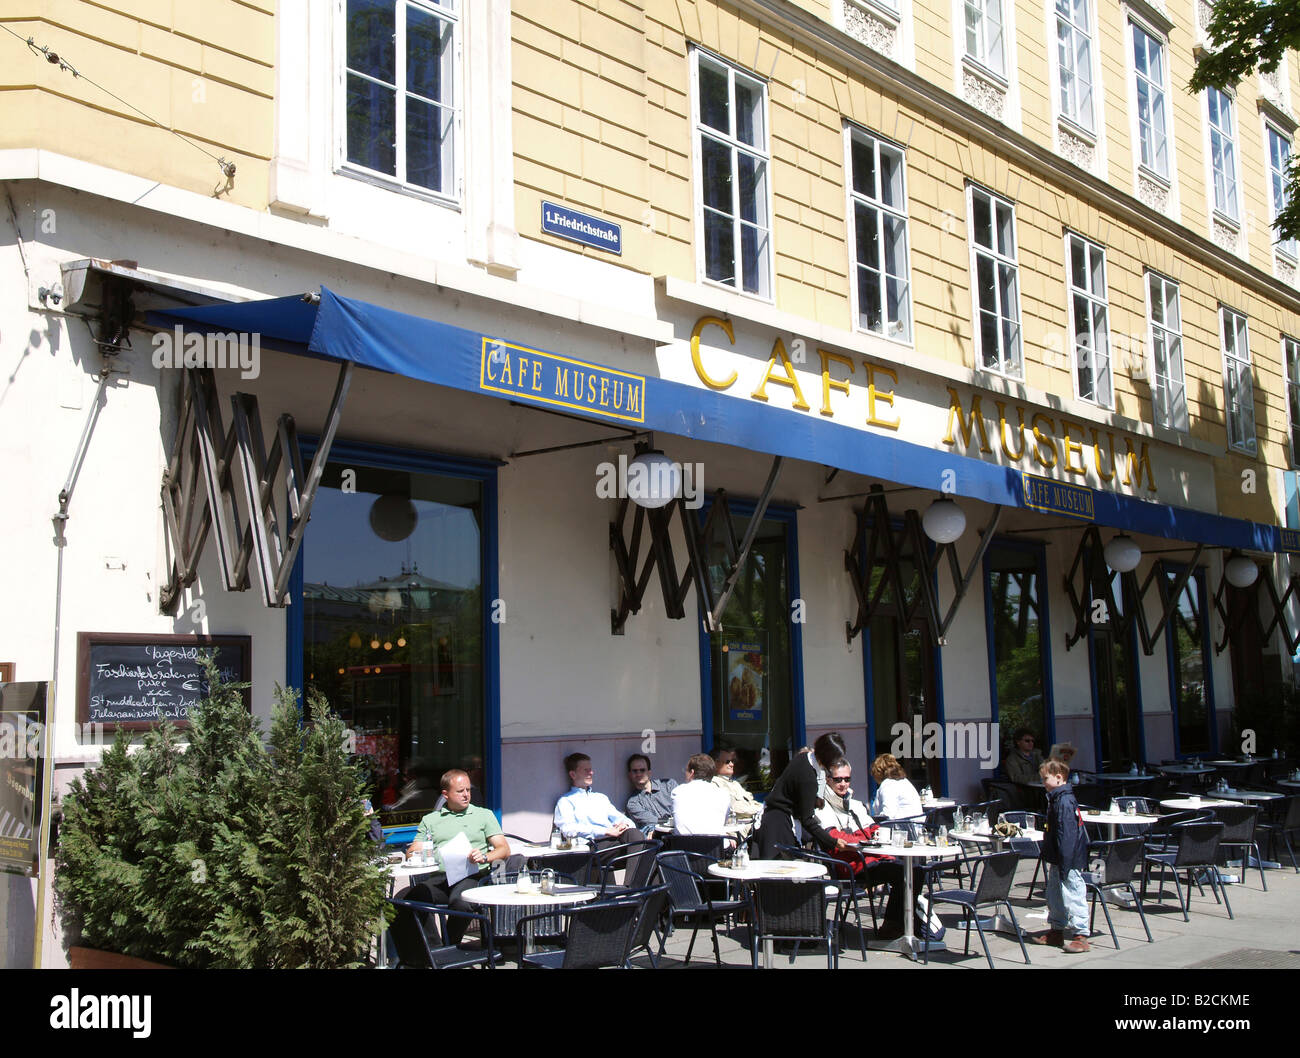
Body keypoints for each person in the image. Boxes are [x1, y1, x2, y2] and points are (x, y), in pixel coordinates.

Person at [816, 759, 925, 940]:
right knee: (908, 873)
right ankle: (894, 927)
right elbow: (834, 837)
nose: (843, 784)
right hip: (849, 866)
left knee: (914, 871)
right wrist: (865, 839)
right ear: (827, 780)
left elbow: (874, 828)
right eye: (838, 780)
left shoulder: (855, 804)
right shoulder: (822, 806)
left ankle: (899, 925)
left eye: (847, 779)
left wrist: (876, 835)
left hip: (870, 859)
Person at [406, 769, 510, 943]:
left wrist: (484, 856)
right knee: (408, 898)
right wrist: (421, 853)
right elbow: (412, 851)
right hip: (442, 878)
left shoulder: (483, 815)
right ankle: (432, 948)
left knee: (461, 902)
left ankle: (450, 946)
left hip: (473, 875)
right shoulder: (431, 820)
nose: (466, 795)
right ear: (445, 794)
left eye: (468, 790)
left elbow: (504, 849)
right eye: (460, 791)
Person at [756, 732, 849, 859]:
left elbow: (817, 776)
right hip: (779, 826)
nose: (836, 763)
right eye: (835, 760)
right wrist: (833, 842)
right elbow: (807, 820)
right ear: (828, 758)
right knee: (780, 874)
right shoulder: (808, 777)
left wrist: (817, 798)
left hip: (774, 817)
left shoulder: (804, 757)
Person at [1031, 758, 1091, 953]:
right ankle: (1056, 930)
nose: (1043, 783)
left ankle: (1080, 935)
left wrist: (1065, 861)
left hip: (1068, 858)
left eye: (1045, 778)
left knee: (1073, 893)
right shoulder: (1056, 798)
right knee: (1055, 894)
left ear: (1058, 778)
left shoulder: (1064, 800)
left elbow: (1067, 835)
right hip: (1058, 857)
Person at [554, 752, 648, 853]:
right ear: (573, 774)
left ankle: (635, 867)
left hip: (613, 840)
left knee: (636, 835)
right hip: (591, 845)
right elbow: (568, 829)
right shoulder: (566, 801)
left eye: (591, 769)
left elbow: (622, 819)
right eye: (586, 770)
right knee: (637, 846)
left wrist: (624, 825)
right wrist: (605, 831)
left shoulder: (600, 798)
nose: (591, 773)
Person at [710, 745, 762, 839]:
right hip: (736, 831)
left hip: (749, 826)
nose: (732, 764)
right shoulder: (714, 784)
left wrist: (761, 809)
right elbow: (734, 808)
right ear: (715, 763)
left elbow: (751, 801)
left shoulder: (735, 783)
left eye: (733, 761)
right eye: (727, 762)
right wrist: (760, 810)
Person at [671, 754, 731, 835]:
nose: (685, 773)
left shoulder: (677, 791)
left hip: (684, 845)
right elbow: (724, 822)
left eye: (686, 770)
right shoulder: (724, 794)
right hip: (714, 846)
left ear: (692, 773)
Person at [624, 753, 677, 832]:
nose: (638, 774)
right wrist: (675, 822)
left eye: (642, 770)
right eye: (635, 771)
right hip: (661, 835)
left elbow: (685, 808)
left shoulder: (669, 785)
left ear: (649, 772)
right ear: (630, 774)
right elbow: (653, 821)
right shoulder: (632, 803)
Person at [869, 753, 923, 819]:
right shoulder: (904, 781)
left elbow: (888, 814)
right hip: (916, 825)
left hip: (903, 826)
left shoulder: (888, 785)